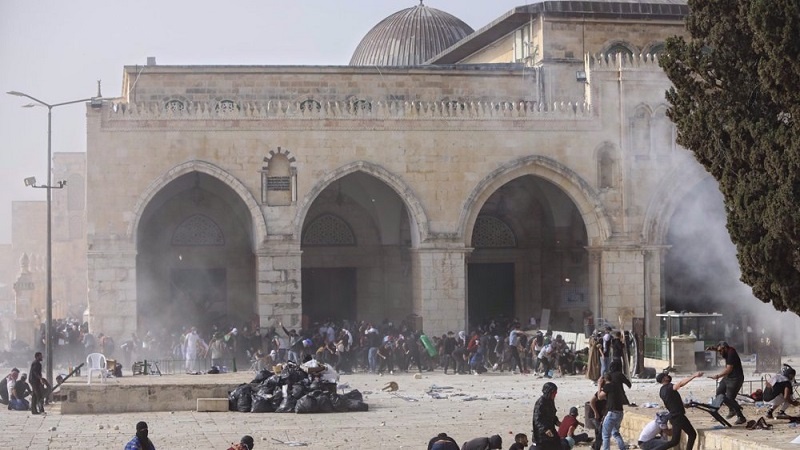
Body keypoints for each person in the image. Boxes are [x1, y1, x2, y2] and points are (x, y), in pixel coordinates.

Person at [652, 371, 703, 450]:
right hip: (678, 417)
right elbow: (680, 384)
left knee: (677, 440)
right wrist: (694, 376)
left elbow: (672, 400)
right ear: (663, 379)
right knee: (690, 435)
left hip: (674, 416)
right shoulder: (669, 386)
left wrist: (683, 405)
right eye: (666, 376)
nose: (668, 376)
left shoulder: (662, 390)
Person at [708, 341, 747, 425]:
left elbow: (729, 369)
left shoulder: (731, 354)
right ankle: (730, 409)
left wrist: (718, 376)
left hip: (735, 379)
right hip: (728, 377)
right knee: (719, 392)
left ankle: (741, 417)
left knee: (729, 398)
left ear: (725, 348)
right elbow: (719, 349)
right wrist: (713, 348)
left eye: (720, 351)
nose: (720, 353)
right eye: (719, 351)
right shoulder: (726, 350)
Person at [598, 361, 628, 450]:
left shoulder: (608, 386)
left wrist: (599, 385)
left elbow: (600, 397)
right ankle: (622, 448)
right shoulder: (616, 386)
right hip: (620, 413)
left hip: (612, 413)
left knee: (605, 435)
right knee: (615, 433)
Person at [532, 382, 568, 450]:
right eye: (553, 393)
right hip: (541, 434)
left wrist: (557, 422)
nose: (555, 395)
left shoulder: (550, 401)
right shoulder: (541, 402)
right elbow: (537, 419)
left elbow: (551, 414)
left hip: (551, 430)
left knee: (558, 445)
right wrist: (545, 429)